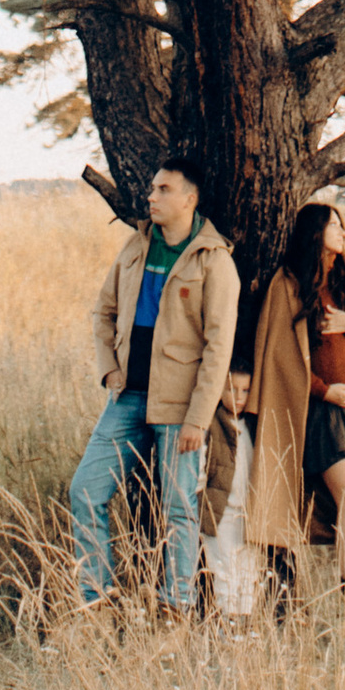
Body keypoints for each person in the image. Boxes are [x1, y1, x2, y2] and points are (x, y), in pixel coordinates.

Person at [69, 156, 239, 615]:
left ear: (190, 198)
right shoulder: (135, 246)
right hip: (127, 399)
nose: (151, 197)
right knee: (84, 491)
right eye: (152, 189)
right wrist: (110, 371)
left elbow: (218, 348)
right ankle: (97, 599)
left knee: (179, 511)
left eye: (163, 189)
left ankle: (175, 609)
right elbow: (103, 312)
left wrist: (198, 420)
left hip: (179, 408)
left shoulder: (215, 260)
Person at [240, 199, 345, 635]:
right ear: (315, 232)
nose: (343, 232)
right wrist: (323, 390)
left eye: (343, 225)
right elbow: (282, 358)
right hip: (323, 412)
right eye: (335, 225)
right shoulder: (289, 283)